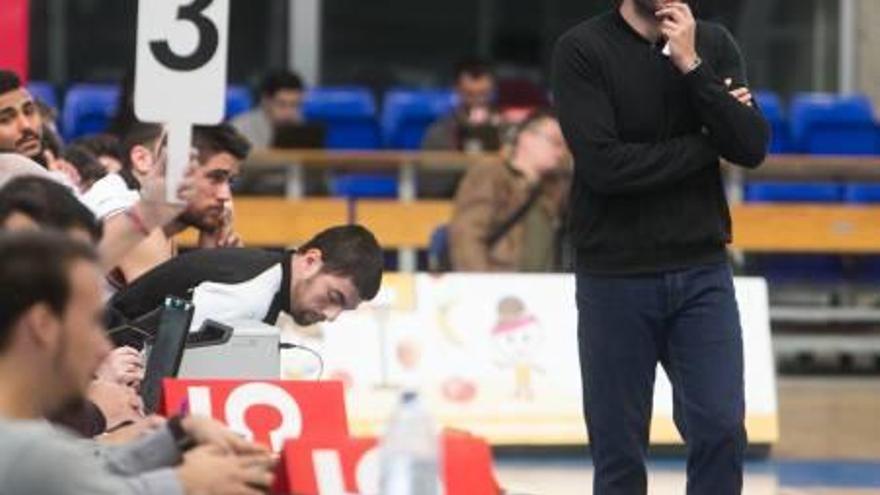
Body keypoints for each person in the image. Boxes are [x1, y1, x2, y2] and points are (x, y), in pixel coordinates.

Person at [551, 1, 769, 494]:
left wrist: (692, 66)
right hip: (614, 273)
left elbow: (752, 145)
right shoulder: (582, 50)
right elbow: (605, 168)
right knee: (619, 449)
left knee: (721, 427)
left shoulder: (712, 44)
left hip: (702, 268)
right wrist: (706, 143)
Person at [0, 231, 275, 494]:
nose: (102, 347)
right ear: (43, 325)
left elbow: (74, 466)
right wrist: (187, 483)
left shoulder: (24, 434)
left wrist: (176, 434)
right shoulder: (25, 450)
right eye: (90, 323)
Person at [108, 225, 384, 337]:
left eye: (342, 310)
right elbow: (170, 366)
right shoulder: (251, 291)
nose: (331, 316)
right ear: (311, 261)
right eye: (334, 297)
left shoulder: (267, 276)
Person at [83, 122, 250, 287]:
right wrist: (213, 265)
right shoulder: (132, 218)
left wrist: (208, 255)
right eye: (215, 178)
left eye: (231, 181)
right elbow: (168, 313)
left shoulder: (157, 219)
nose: (225, 196)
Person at [448, 110, 570, 272]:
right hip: (500, 284)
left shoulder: (556, 186)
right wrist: (480, 285)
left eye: (564, 145)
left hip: (545, 288)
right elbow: (467, 235)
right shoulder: (491, 174)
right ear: (526, 138)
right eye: (555, 142)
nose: (560, 152)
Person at [422, 57, 502, 152]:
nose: (478, 101)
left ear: (493, 90)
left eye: (483, 94)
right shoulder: (439, 132)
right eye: (470, 94)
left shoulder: (505, 129)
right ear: (457, 90)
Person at [230, 70, 306, 149]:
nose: (289, 112)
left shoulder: (300, 126)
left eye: (295, 105)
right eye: (281, 104)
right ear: (266, 100)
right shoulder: (239, 129)